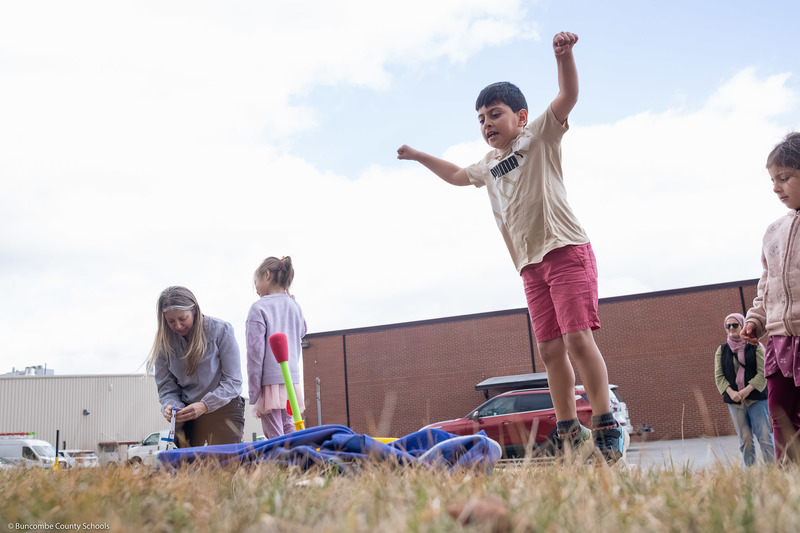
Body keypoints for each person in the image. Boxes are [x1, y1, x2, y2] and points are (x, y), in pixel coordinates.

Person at [396, 32, 627, 462]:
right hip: (530, 266)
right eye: (480, 118)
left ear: (520, 116)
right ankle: (567, 428)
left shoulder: (538, 135)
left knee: (578, 339)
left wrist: (564, 56)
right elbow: (453, 175)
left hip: (565, 249)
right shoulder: (486, 165)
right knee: (550, 349)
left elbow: (568, 94)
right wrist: (419, 155)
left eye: (495, 114)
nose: (487, 123)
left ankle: (604, 420)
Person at [742, 132, 800, 463]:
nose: (776, 188)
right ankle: (787, 479)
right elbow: (767, 283)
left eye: (785, 178)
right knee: (779, 412)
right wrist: (756, 318)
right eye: (773, 180)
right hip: (779, 341)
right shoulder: (773, 232)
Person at [147, 286, 245, 448]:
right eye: (171, 321)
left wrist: (204, 405)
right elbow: (166, 387)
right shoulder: (164, 343)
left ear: (194, 311)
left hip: (223, 406)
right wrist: (170, 406)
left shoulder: (222, 330)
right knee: (187, 467)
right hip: (187, 412)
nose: (177, 326)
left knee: (225, 464)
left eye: (183, 318)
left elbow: (233, 382)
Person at [246, 256, 308, 440]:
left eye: (255, 282)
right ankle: (297, 463)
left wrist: (254, 390)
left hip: (269, 381)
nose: (255, 288)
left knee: (274, 433)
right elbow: (303, 330)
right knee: (290, 425)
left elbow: (254, 353)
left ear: (266, 275)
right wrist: (292, 300)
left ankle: (280, 465)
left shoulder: (258, 308)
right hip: (291, 381)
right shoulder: (294, 306)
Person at [714, 313, 775, 466]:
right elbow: (719, 376)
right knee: (745, 440)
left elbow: (764, 372)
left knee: (764, 438)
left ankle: (773, 473)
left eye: (735, 325)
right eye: (727, 326)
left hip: (757, 400)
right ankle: (751, 474)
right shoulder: (721, 351)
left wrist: (746, 390)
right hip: (735, 403)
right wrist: (731, 393)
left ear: (743, 326)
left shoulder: (755, 346)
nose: (731, 328)